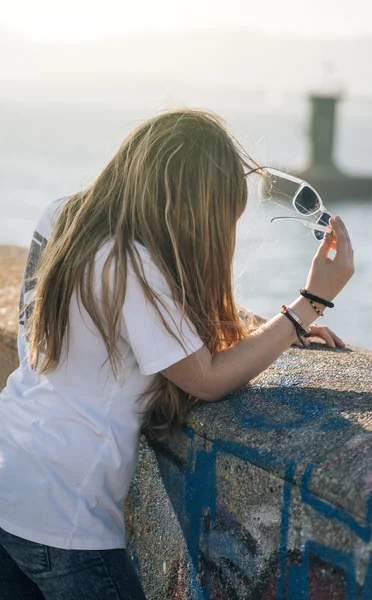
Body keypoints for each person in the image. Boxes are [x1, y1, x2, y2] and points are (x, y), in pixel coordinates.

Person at [0, 108, 354, 600]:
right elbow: (206, 379)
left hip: (11, 467)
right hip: (65, 511)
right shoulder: (133, 264)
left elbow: (150, 321)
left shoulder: (67, 216)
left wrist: (267, 331)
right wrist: (309, 304)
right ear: (189, 206)